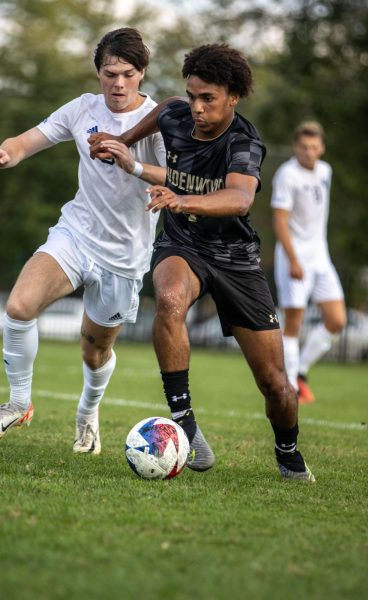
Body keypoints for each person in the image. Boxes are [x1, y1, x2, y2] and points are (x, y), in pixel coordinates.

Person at [89, 43, 315, 481]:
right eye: (192, 95)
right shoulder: (177, 113)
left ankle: (287, 451)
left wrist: (180, 197)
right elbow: (166, 108)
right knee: (170, 297)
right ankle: (186, 422)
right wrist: (122, 141)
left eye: (207, 98)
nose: (195, 106)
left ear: (233, 96)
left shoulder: (243, 141)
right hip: (183, 244)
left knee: (276, 385)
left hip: (236, 260)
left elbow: (239, 198)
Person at [0, 27, 166, 453]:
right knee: (20, 305)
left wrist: (131, 163)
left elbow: (175, 178)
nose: (118, 83)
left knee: (94, 351)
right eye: (109, 73)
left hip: (125, 255)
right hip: (76, 234)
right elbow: (28, 140)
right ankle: (18, 403)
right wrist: (7, 152)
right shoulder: (82, 109)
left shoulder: (157, 121)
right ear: (98, 73)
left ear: (142, 74)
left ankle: (88, 412)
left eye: (128, 74)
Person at [271, 121, 346, 404]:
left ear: (322, 148)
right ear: (295, 147)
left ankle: (300, 371)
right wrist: (293, 259)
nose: (309, 152)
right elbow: (279, 220)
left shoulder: (326, 171)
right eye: (304, 147)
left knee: (337, 320)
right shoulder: (287, 175)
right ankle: (289, 386)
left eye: (314, 147)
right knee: (294, 323)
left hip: (320, 255)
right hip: (294, 256)